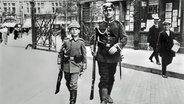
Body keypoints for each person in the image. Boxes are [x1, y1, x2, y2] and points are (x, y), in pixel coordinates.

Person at [90, 2, 127, 104]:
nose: (108, 12)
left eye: (110, 10)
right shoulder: (99, 25)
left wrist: (117, 46)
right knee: (104, 78)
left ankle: (108, 95)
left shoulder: (118, 25)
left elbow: (124, 38)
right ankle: (103, 100)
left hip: (114, 56)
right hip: (102, 56)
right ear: (103, 12)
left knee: (111, 77)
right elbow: (92, 40)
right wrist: (93, 50)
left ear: (113, 11)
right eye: (105, 10)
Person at [58, 21, 87, 104]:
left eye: (76, 29)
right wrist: (59, 63)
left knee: (73, 84)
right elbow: (60, 52)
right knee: (68, 82)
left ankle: (72, 101)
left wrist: (84, 65)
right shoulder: (66, 41)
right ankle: (72, 92)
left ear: (79, 31)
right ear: (69, 31)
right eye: (72, 29)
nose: (74, 31)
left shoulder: (81, 42)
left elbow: (84, 54)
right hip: (66, 65)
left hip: (76, 65)